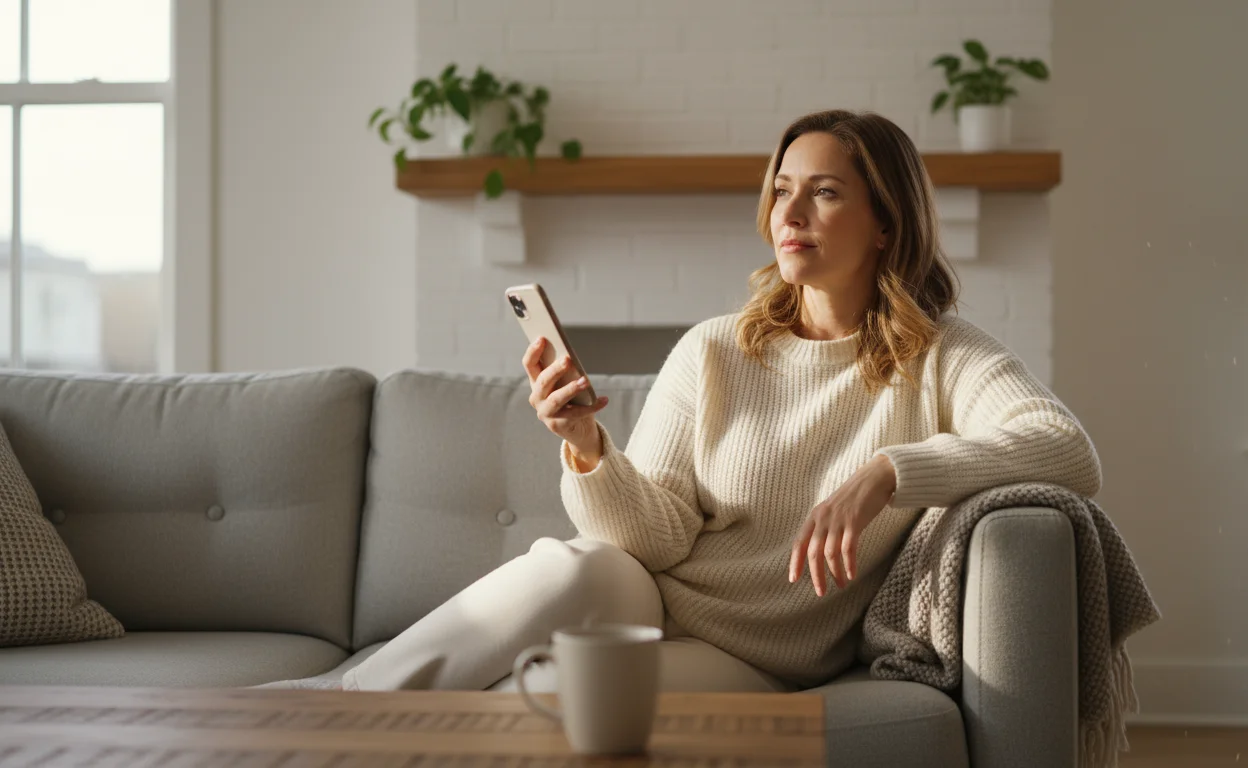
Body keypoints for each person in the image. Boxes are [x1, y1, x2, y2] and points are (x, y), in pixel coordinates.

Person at [341, 109, 1101, 693]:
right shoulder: (716, 348)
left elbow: (1065, 447)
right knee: (571, 567)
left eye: (825, 192)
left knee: (548, 693)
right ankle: (335, 709)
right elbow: (658, 538)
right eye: (782, 190)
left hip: (754, 657)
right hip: (647, 594)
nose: (789, 213)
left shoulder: (940, 355)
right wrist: (586, 447)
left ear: (885, 224)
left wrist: (889, 474)